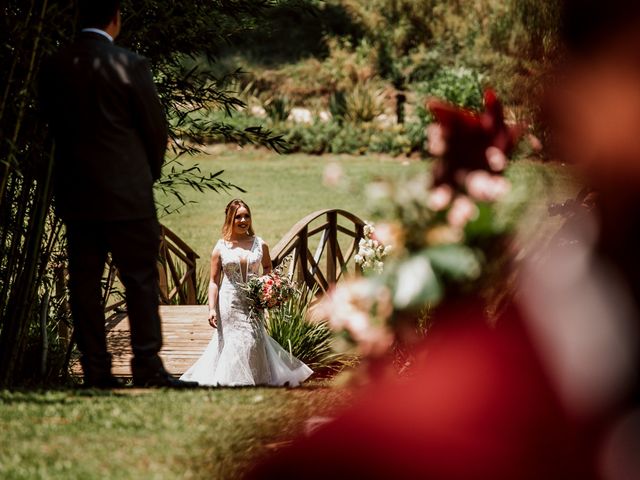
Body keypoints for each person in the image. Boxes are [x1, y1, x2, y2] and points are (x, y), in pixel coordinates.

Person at [40, 0, 196, 388]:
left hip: (78, 194)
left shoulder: (54, 65)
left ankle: (96, 371)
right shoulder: (130, 65)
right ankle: (147, 366)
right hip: (128, 195)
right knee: (141, 279)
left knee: (84, 284)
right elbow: (155, 131)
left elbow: (49, 131)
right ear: (115, 19)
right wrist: (146, 176)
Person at [180, 199, 313, 386]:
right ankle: (231, 381)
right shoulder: (220, 247)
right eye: (238, 217)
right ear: (230, 219)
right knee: (233, 340)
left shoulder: (260, 244)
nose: (243, 220)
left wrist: (268, 288)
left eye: (246, 216)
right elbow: (213, 282)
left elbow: (268, 267)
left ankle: (256, 378)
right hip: (229, 301)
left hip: (253, 300)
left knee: (253, 339)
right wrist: (211, 309)